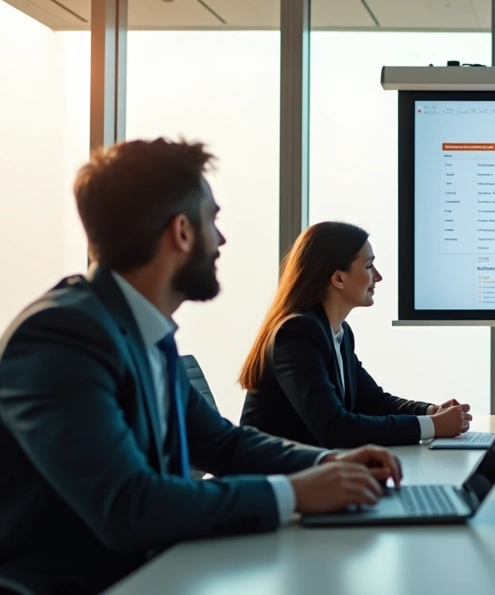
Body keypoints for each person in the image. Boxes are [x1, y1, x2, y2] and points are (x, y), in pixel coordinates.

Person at [0, 139, 403, 594]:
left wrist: (331, 461)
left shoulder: (143, 332)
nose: (222, 239)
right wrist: (298, 493)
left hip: (155, 572)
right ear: (182, 232)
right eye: (213, 220)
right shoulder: (62, 336)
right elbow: (130, 506)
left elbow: (223, 444)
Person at [239, 221, 472, 447]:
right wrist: (432, 426)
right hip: (267, 480)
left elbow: (371, 400)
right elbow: (335, 428)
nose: (378, 276)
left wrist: (431, 411)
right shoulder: (297, 334)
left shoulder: (338, 332)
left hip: (308, 474)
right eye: (369, 266)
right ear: (338, 278)